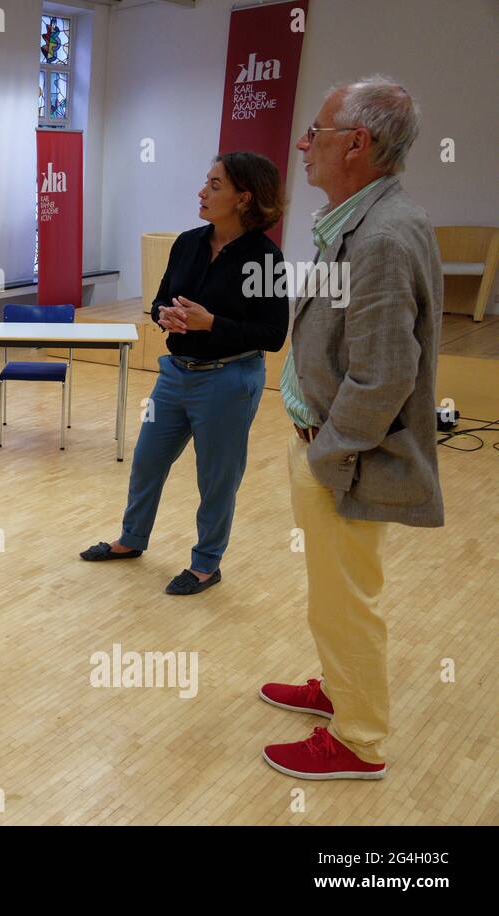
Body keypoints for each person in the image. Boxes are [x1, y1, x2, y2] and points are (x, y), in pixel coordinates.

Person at [259, 76, 443, 780]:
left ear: (358, 144)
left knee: (347, 604)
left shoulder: (383, 238)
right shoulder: (363, 221)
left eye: (318, 132)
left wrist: (326, 455)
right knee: (333, 598)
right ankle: (338, 692)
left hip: (345, 460)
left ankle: (359, 740)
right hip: (331, 451)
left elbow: (386, 376)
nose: (303, 145)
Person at [79, 152, 288, 595]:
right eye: (206, 181)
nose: (202, 191)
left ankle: (206, 564)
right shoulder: (188, 243)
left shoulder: (265, 258)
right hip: (174, 374)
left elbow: (272, 334)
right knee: (146, 460)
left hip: (229, 381)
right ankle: (131, 540)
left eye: (215, 185)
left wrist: (211, 323)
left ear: (243, 197)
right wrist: (166, 316)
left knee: (216, 477)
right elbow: (159, 301)